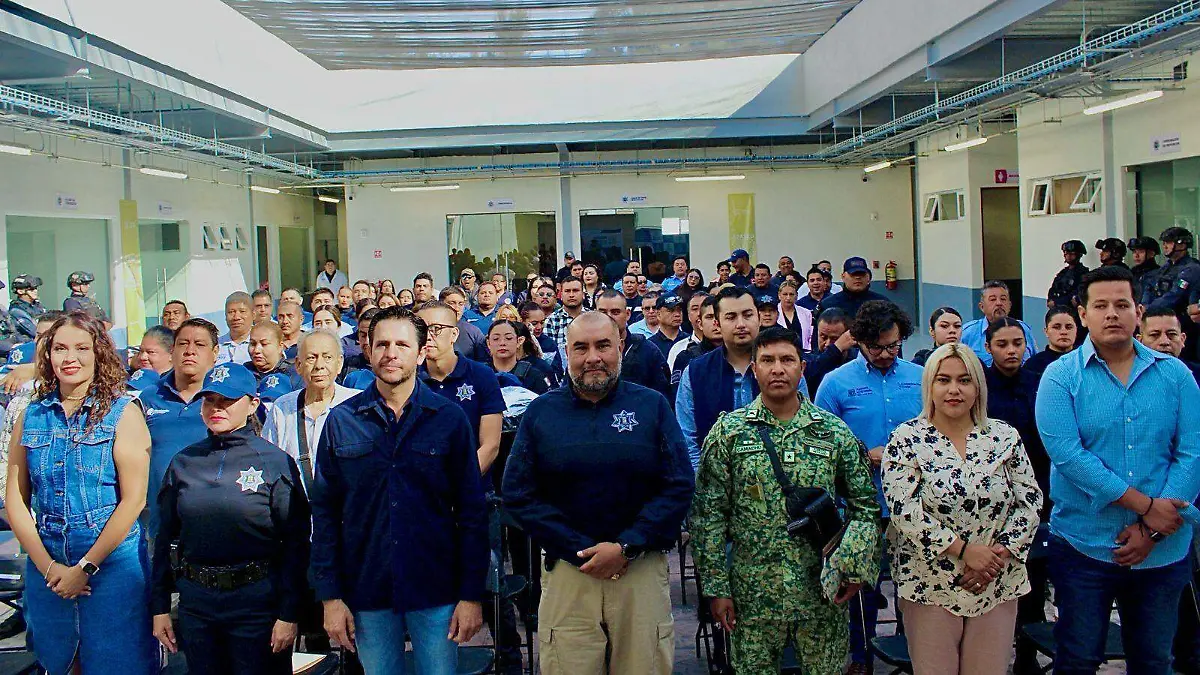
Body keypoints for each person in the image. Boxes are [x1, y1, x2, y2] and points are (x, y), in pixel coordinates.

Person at [503, 311, 693, 675]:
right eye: (581, 347)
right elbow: (518, 494)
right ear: (566, 353)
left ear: (620, 347)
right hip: (569, 575)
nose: (593, 357)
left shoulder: (652, 406)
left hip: (639, 570)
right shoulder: (541, 413)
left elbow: (679, 484)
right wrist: (580, 550)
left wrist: (626, 546)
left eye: (603, 345)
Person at [1035, 265, 1200, 673]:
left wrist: (1153, 528)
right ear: (1082, 312)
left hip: (1164, 550)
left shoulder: (1176, 375)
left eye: (1122, 304)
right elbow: (1069, 456)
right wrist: (1146, 506)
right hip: (1083, 546)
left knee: (1153, 660)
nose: (1112, 313)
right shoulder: (1060, 377)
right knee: (1078, 658)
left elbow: (1192, 452)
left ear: (1138, 312)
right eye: (1101, 305)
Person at [692, 326, 881, 674]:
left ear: (802, 367)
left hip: (821, 593)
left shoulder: (833, 432)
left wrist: (854, 567)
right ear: (754, 367)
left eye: (786, 360)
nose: (777, 369)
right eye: (767, 360)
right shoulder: (729, 433)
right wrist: (717, 588)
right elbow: (708, 516)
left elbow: (865, 507)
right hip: (752, 595)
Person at [311, 306, 488, 674]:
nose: (391, 353)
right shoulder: (341, 422)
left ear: (421, 352)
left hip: (436, 588)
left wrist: (472, 594)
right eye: (382, 344)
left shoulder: (450, 420)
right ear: (369, 350)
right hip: (367, 589)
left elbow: (472, 511)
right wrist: (330, 596)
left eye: (402, 345)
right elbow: (325, 514)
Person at [5, 311, 157, 674]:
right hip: (49, 569)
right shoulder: (32, 415)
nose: (69, 357)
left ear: (98, 353)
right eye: (59, 348)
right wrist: (50, 569)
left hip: (113, 565)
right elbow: (15, 498)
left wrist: (85, 567)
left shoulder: (124, 413)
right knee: (61, 664)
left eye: (80, 348)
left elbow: (134, 500)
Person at [883, 343, 1042, 675]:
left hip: (996, 579)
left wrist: (994, 557)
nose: (954, 390)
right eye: (943, 380)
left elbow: (1029, 501)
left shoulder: (1003, 436)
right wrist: (964, 551)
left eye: (964, 380)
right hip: (930, 581)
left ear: (978, 387)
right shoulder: (907, 439)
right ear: (930, 386)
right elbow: (903, 508)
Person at [150, 363, 311, 675]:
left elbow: (296, 544)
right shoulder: (184, 462)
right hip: (198, 603)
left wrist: (289, 613)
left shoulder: (275, 462)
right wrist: (159, 606)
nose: (217, 408)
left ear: (252, 404)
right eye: (210, 400)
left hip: (256, 603)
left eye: (228, 400)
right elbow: (164, 536)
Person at [814, 299, 924, 672]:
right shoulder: (836, 383)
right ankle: (861, 657)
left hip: (916, 505)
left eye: (892, 346)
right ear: (858, 341)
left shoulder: (920, 376)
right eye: (875, 347)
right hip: (861, 508)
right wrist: (864, 455)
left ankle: (916, 653)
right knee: (863, 589)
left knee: (916, 585)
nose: (884, 354)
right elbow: (821, 446)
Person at [983, 318, 1054, 673]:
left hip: (1037, 498)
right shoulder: (979, 388)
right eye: (1002, 344)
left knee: (1033, 587)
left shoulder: (1040, 385)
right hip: (990, 502)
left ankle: (1026, 659)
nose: (1011, 351)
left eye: (1017, 343)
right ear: (988, 348)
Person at [416, 302, 507, 476]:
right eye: (421, 329)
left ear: (454, 334)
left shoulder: (481, 375)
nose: (427, 336)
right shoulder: (411, 379)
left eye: (436, 329)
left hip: (472, 487)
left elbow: (490, 445)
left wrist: (461, 485)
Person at [263, 330, 361, 492]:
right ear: (298, 365)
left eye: (327, 357)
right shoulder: (282, 408)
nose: (319, 365)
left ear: (340, 363)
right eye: (311, 358)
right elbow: (269, 464)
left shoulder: (357, 405)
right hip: (297, 511)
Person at [676, 287, 762, 469]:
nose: (741, 324)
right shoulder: (696, 372)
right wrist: (704, 483)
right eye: (730, 317)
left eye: (748, 315)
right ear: (717, 323)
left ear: (759, 318)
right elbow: (687, 438)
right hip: (715, 484)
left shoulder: (782, 366)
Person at [810, 257, 886, 347]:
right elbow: (817, 338)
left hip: (875, 356)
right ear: (843, 276)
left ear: (869, 277)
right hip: (837, 357)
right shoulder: (828, 304)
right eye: (853, 274)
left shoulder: (883, 304)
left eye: (862, 274)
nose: (857, 277)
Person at [960, 281, 1037, 366]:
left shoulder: (1023, 329)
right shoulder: (968, 332)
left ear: (1010, 305)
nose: (999, 303)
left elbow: (1035, 361)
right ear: (982, 307)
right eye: (993, 299)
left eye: (1003, 299)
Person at [487, 320, 556, 394]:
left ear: (519, 341)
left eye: (509, 338)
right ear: (488, 343)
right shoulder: (478, 374)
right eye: (496, 339)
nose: (502, 343)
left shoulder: (535, 376)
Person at [244, 321, 301, 410]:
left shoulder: (296, 374)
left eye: (264, 344)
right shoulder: (244, 373)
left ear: (280, 346)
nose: (256, 350)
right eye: (253, 344)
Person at [803, 308, 857, 399]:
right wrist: (836, 348)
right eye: (823, 337)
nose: (827, 344)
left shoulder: (858, 359)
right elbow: (809, 375)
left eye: (834, 339)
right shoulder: (809, 360)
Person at [1141, 306, 1200, 384]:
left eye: (1172, 334)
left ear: (1182, 339)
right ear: (1140, 341)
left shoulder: (1197, 375)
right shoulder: (1125, 377)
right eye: (1154, 335)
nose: (1164, 342)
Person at [1024, 306, 1078, 380]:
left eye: (1069, 327)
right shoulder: (1033, 365)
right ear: (1046, 331)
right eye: (1056, 327)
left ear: (1076, 330)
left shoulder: (1086, 362)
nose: (1063, 332)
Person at [544, 276, 589, 352]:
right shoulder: (551, 321)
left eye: (575, 290)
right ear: (561, 295)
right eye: (567, 291)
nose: (571, 295)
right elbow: (550, 354)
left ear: (583, 294)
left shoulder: (593, 318)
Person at [668, 292, 709, 372]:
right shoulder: (678, 348)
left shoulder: (727, 346)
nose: (699, 313)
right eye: (695, 309)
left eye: (704, 308)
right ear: (688, 315)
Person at [1047, 240, 1089, 309]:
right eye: (1066, 253)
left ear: (1079, 255)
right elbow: (1053, 289)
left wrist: (1057, 302)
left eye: (1072, 253)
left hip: (1071, 312)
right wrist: (1050, 300)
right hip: (1057, 310)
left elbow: (1077, 294)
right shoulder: (1063, 272)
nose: (1068, 256)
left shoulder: (1083, 273)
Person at [217, 291, 254, 365]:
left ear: (253, 315)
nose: (236, 317)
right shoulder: (217, 345)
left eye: (242, 311)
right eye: (231, 312)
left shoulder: (262, 344)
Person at [776, 280, 814, 345]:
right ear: (779, 295)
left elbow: (810, 336)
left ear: (796, 295)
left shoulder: (806, 313)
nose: (788, 298)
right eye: (785, 294)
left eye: (791, 294)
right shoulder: (774, 312)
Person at [9, 273, 45, 339]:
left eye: (36, 288)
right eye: (31, 289)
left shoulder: (36, 305)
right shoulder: (16, 311)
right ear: (20, 291)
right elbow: (35, 332)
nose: (35, 291)